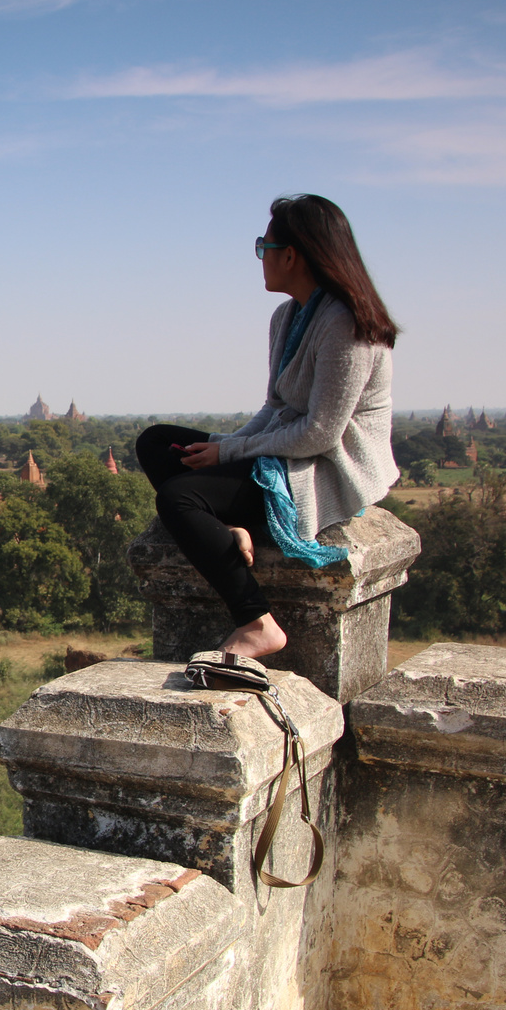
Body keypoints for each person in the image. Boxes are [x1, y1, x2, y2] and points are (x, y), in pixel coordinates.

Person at [135, 194, 398, 661]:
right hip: (281, 453)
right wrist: (224, 444)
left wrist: (230, 454)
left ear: (291, 255)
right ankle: (229, 525)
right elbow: (275, 406)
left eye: (264, 247)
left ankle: (256, 621)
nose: (261, 258)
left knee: (177, 497)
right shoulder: (287, 317)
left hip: (323, 467)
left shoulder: (346, 324)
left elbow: (320, 435)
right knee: (157, 443)